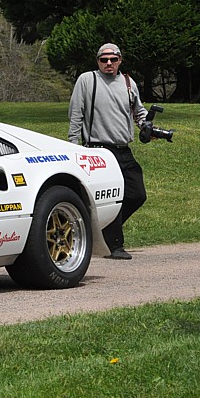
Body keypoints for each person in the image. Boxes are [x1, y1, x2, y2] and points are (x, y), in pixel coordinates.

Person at [68, 43, 148, 260]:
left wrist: (147, 126)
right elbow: (76, 114)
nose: (109, 63)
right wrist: (73, 146)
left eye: (113, 59)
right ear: (98, 61)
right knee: (113, 196)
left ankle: (101, 231)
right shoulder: (87, 80)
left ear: (120, 60)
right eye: (104, 60)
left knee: (137, 194)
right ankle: (115, 245)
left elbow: (139, 112)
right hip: (98, 150)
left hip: (123, 150)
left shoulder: (128, 83)